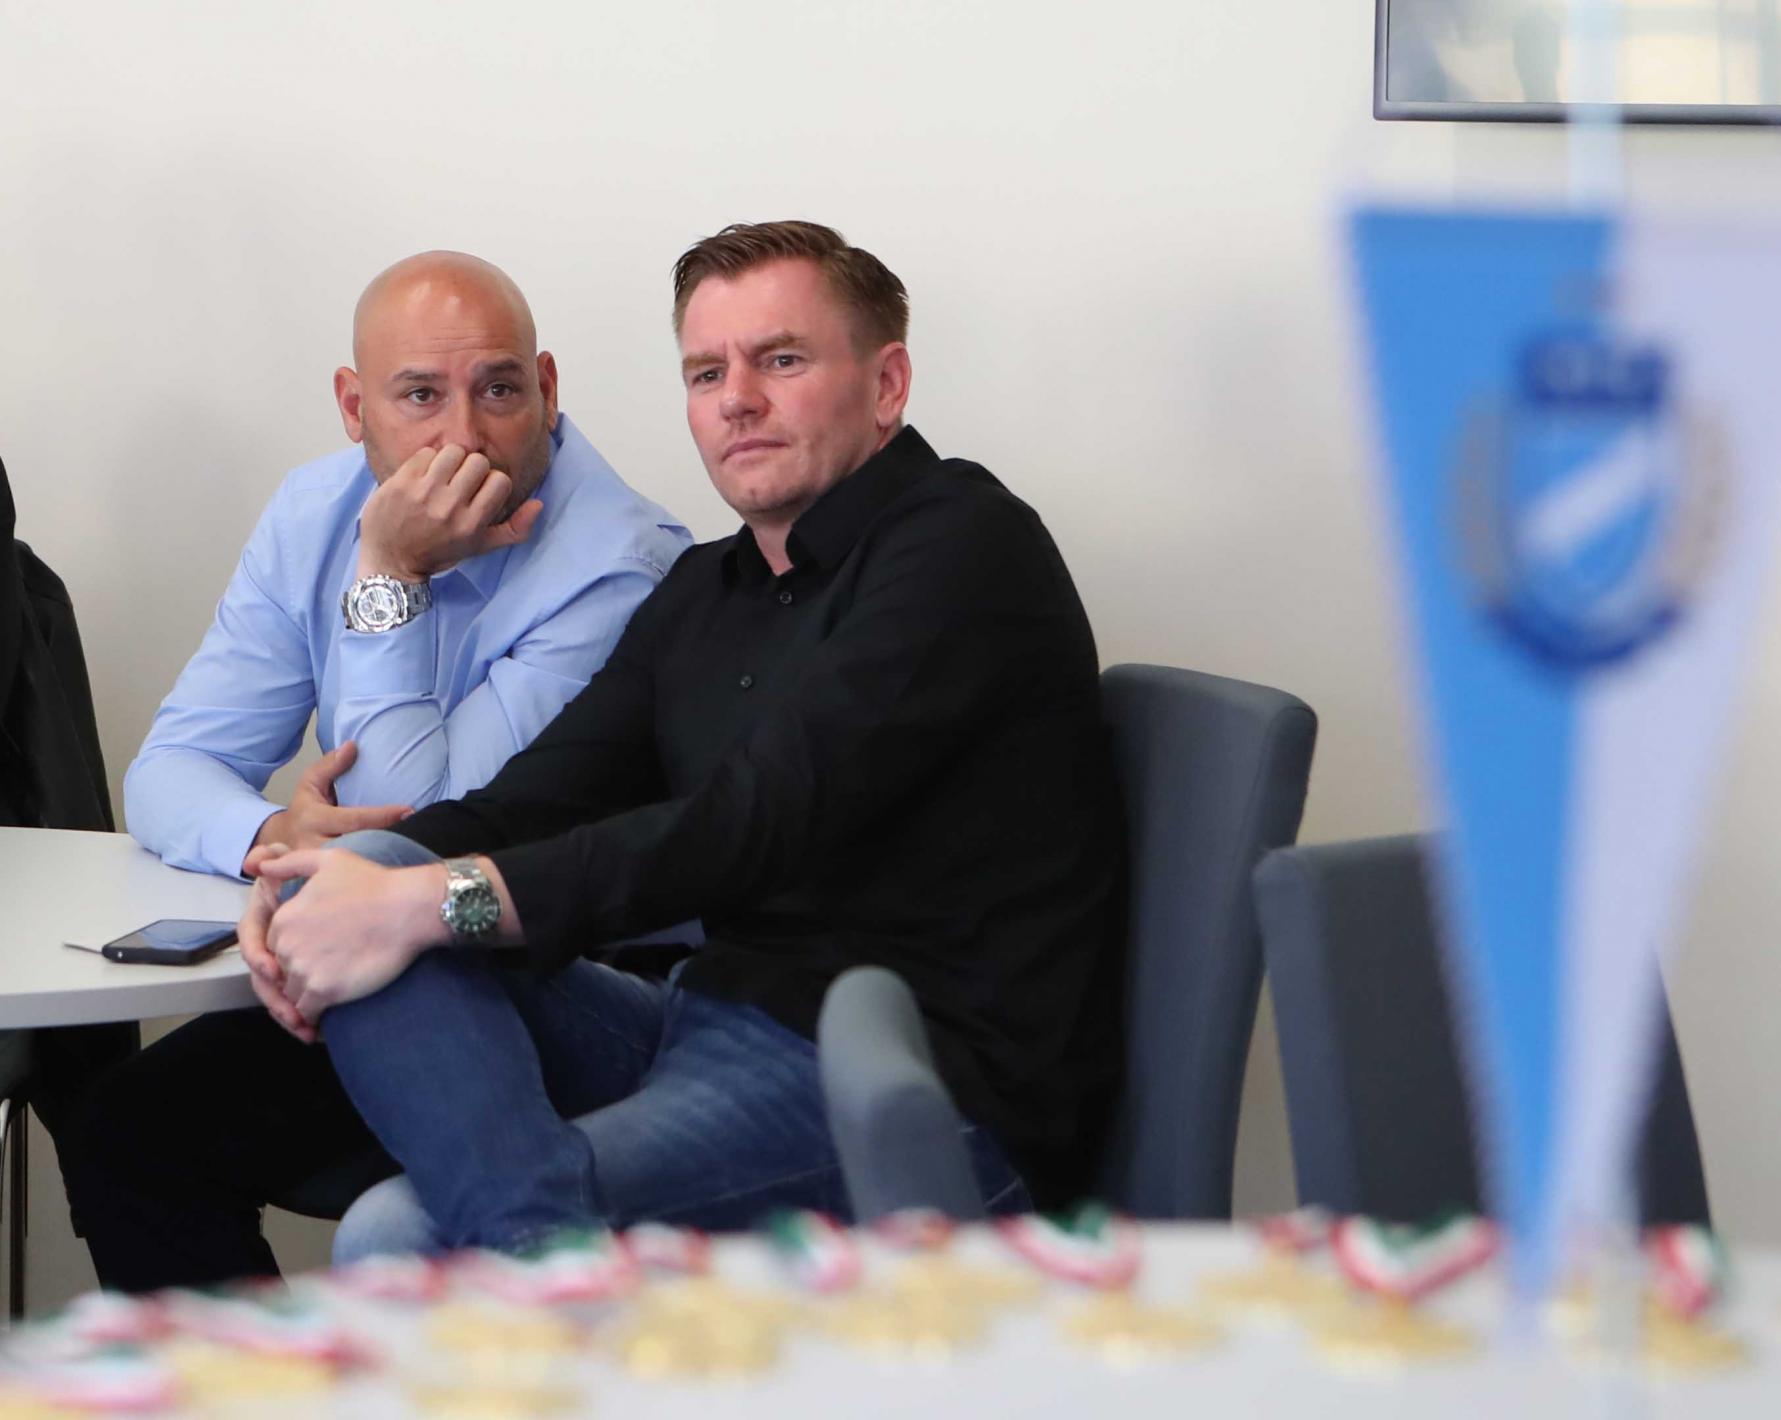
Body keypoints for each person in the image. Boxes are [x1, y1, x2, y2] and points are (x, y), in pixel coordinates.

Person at [67, 222, 1123, 1290]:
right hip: (701, 1026)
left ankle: (539, 1263)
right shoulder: (711, 589)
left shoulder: (962, 544)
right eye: (707, 372)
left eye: (781, 360)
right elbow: (530, 800)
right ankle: (545, 1259)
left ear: (886, 383)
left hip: (907, 1085)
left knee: (400, 1232)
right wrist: (316, 880)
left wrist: (430, 899)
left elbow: (742, 828)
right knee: (372, 879)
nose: (738, 400)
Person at [123, 250, 690, 880]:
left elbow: (415, 846)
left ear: (547, 390)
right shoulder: (312, 513)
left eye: (498, 390)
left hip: (557, 935)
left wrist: (391, 572)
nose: (464, 438)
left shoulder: (619, 567)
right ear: (354, 406)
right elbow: (167, 771)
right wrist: (273, 832)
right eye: (422, 395)